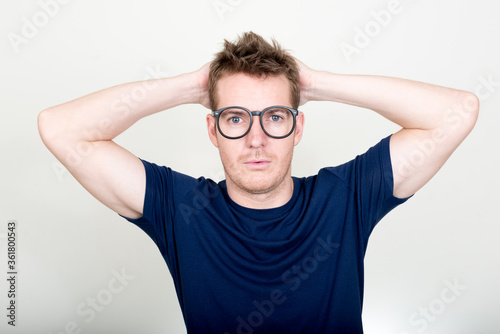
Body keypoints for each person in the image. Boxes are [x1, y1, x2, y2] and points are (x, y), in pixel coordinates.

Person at [38, 32, 479, 333]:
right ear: (212, 131)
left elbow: (458, 111)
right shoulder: (179, 207)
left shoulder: (345, 198)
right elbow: (60, 128)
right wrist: (195, 86)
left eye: (274, 117)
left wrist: (315, 83)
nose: (255, 139)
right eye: (234, 118)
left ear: (298, 127)